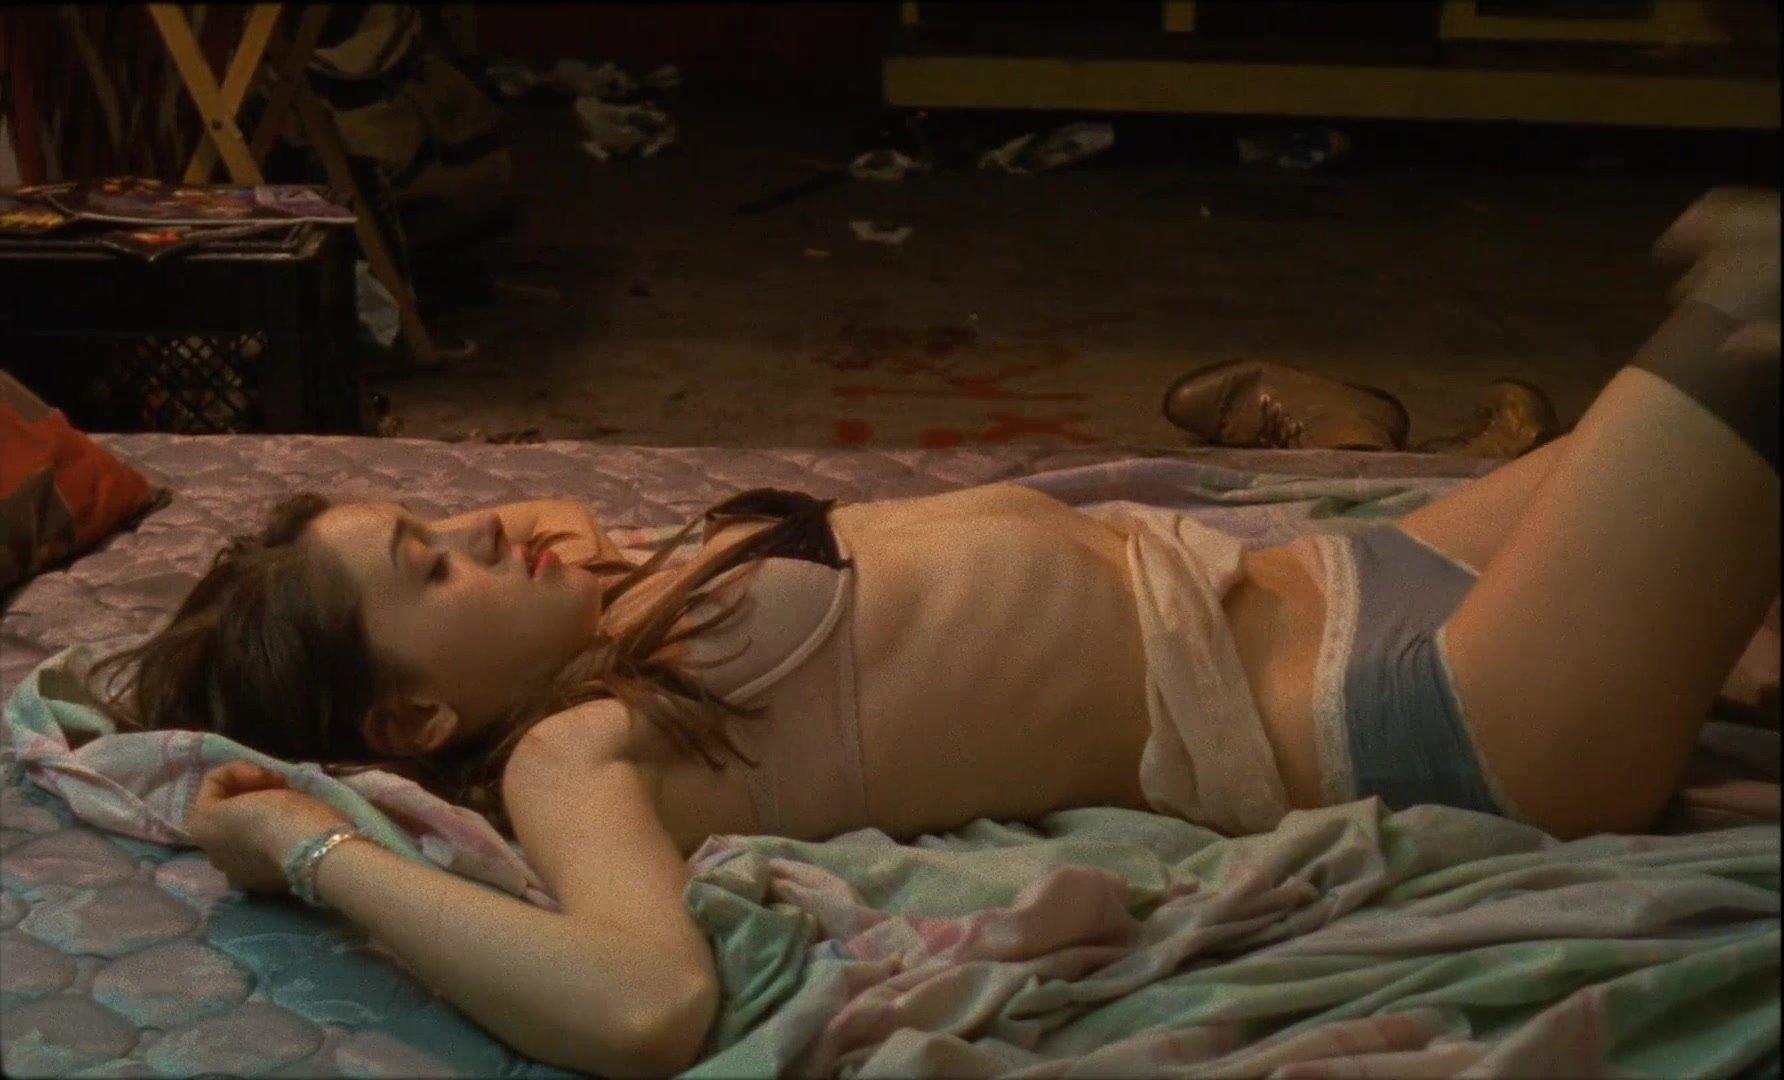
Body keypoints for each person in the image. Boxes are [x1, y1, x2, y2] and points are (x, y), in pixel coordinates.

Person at [85, 189, 1779, 1076]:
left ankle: (1434, 457)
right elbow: (639, 1009)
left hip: (1363, 572)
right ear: (407, 726)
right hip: (1437, 708)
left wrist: (536, 564)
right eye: (430, 571)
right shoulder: (578, 750)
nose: (477, 533)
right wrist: (309, 850)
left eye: (440, 518)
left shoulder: (610, 607)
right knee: (1754, 315)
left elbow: (562, 537)